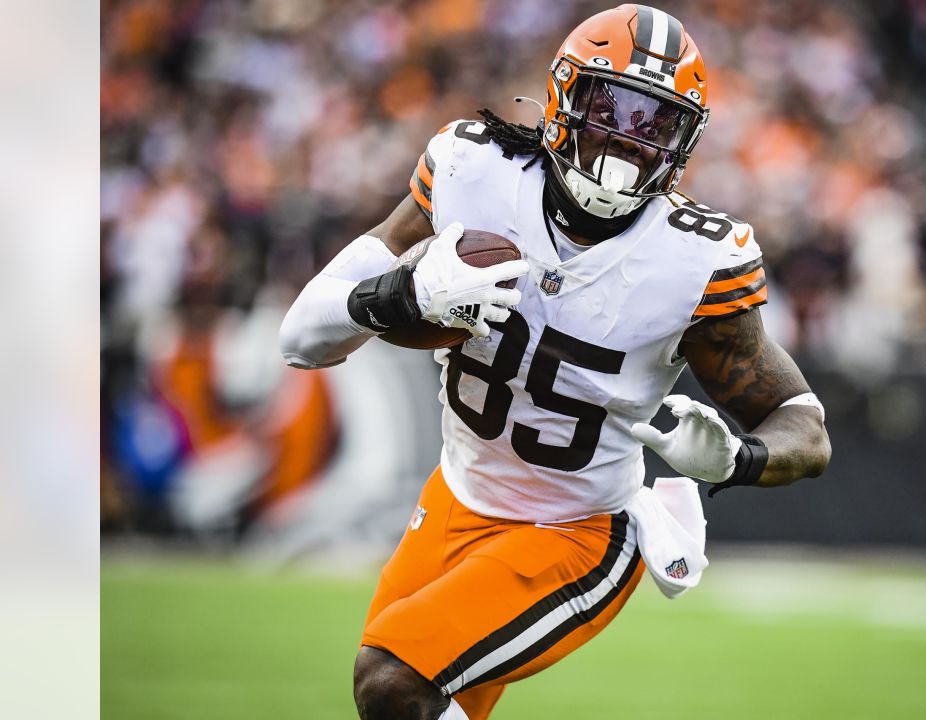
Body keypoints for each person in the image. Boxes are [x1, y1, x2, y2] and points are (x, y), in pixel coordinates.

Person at [278, 5, 830, 719]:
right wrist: (402, 294)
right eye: (613, 111)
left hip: (579, 531)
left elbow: (804, 428)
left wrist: (739, 460)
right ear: (565, 98)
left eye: (654, 123)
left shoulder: (694, 259)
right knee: (408, 700)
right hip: (457, 494)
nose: (629, 143)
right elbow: (301, 337)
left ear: (684, 141)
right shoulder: (473, 169)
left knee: (391, 682)